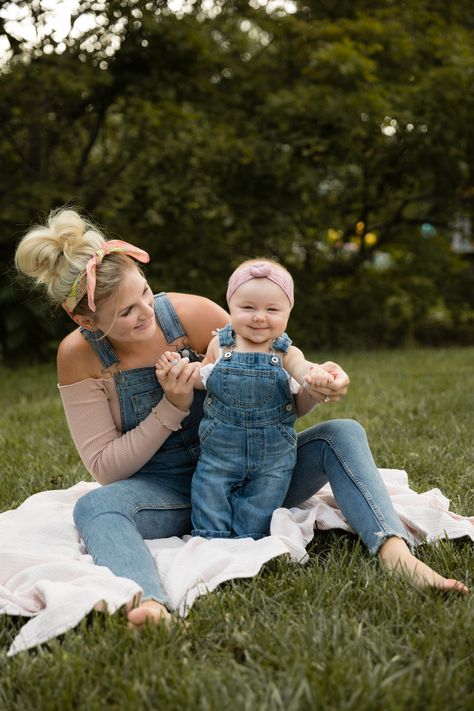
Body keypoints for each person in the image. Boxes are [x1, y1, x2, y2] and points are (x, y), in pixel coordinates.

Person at [14, 209, 468, 629]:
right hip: (171, 492)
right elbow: (107, 470)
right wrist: (171, 406)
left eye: (146, 294)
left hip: (260, 468)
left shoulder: (191, 315)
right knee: (94, 506)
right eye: (127, 313)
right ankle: (149, 603)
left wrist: (314, 387)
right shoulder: (79, 357)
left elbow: (277, 395)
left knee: (342, 435)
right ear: (84, 319)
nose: (147, 314)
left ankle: (393, 552)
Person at [156, 259, 335, 540]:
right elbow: (206, 378)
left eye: (272, 309)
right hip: (219, 451)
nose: (259, 317)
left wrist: (315, 378)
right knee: (209, 492)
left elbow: (302, 373)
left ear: (289, 311)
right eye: (248, 307)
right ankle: (210, 539)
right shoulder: (221, 344)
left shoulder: (286, 352)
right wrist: (180, 372)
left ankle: (246, 541)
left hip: (273, 457)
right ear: (230, 308)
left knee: (261, 505)